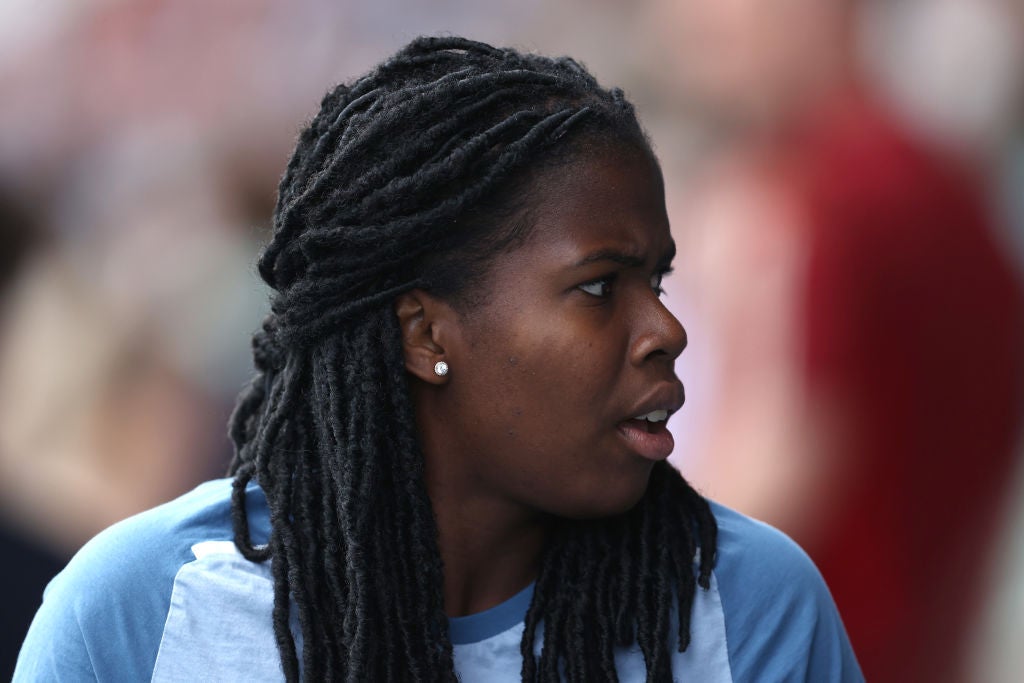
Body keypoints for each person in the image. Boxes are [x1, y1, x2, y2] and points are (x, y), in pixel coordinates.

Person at [14, 37, 862, 682]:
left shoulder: (754, 610)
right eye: (601, 287)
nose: (666, 330)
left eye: (658, 278)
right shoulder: (134, 614)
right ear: (425, 335)